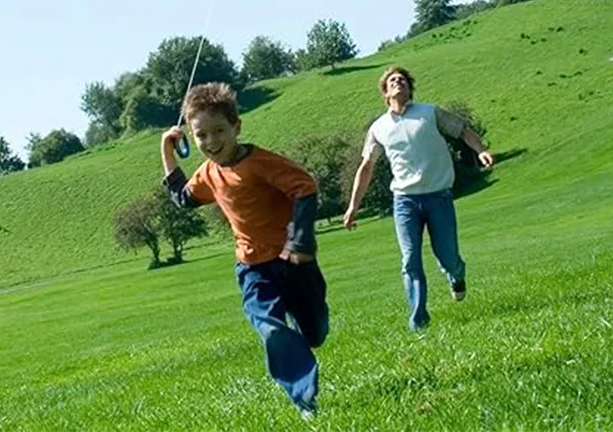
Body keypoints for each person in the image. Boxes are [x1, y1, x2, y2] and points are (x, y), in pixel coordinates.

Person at [160, 82, 329, 421]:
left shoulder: (260, 162)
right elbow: (182, 199)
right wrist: (165, 148)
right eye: (201, 135)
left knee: (315, 332)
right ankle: (305, 398)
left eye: (219, 130)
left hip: (291, 260)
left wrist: (299, 241)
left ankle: (304, 344)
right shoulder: (208, 173)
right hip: (253, 268)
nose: (212, 142)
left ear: (237, 127)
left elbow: (305, 187)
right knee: (270, 328)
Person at [343, 65, 494, 332]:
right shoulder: (379, 128)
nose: (398, 82)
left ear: (410, 89)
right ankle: (418, 321)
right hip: (405, 201)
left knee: (447, 255)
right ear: (385, 93)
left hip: (438, 196)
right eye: (392, 80)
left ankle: (455, 275)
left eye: (403, 80)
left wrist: (481, 150)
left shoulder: (430, 113)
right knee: (410, 259)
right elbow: (366, 166)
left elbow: (462, 130)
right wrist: (354, 206)